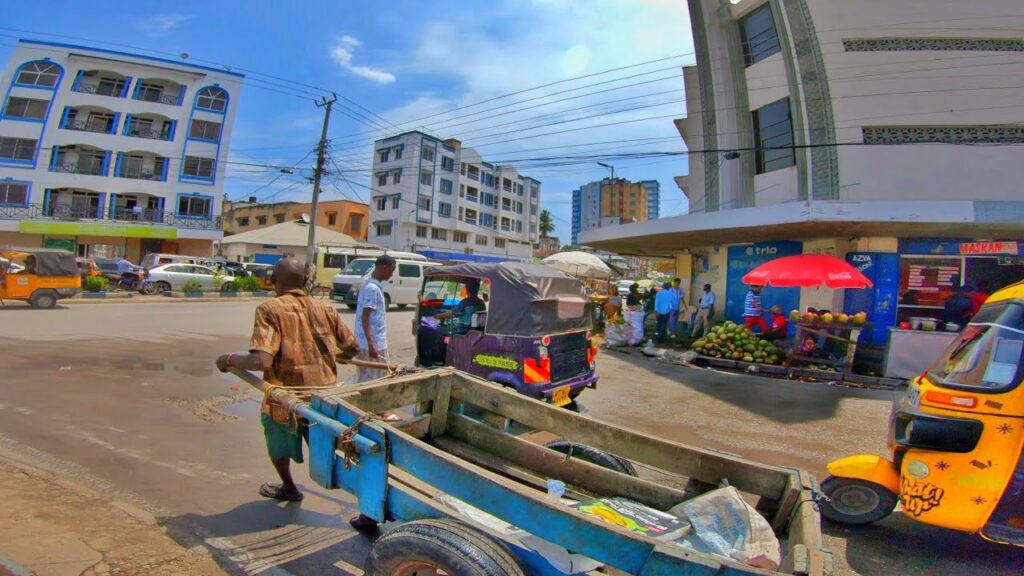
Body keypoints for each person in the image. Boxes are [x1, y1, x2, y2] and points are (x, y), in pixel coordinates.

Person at [215, 257, 358, 504]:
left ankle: (289, 486)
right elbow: (352, 347)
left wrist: (228, 358)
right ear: (306, 281)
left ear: (273, 282)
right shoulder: (326, 307)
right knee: (328, 446)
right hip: (323, 400)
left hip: (285, 401)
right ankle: (362, 498)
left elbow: (261, 361)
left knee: (277, 441)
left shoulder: (270, 308)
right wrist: (340, 355)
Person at [355, 255, 396, 383]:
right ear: (383, 267)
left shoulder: (371, 285)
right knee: (374, 378)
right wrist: (371, 345)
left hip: (372, 342)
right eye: (391, 270)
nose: (392, 274)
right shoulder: (372, 289)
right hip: (372, 344)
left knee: (371, 376)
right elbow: (365, 318)